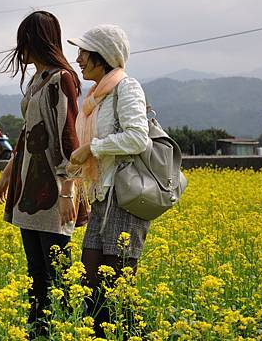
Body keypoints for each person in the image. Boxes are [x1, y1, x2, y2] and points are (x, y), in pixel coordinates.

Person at [0, 10, 87, 338]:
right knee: (36, 274)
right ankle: (38, 333)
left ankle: (72, 330)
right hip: (29, 187)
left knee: (58, 275)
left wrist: (67, 192)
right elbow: (27, 133)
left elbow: (69, 137)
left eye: (24, 41)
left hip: (55, 189)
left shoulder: (62, 79)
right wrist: (8, 172)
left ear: (37, 41)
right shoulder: (36, 80)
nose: (20, 49)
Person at [67, 24, 150, 337]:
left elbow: (137, 138)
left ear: (102, 57)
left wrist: (92, 147)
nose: (78, 59)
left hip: (125, 196)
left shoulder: (126, 88)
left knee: (117, 290)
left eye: (84, 53)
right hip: (102, 196)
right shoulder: (95, 98)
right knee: (90, 285)